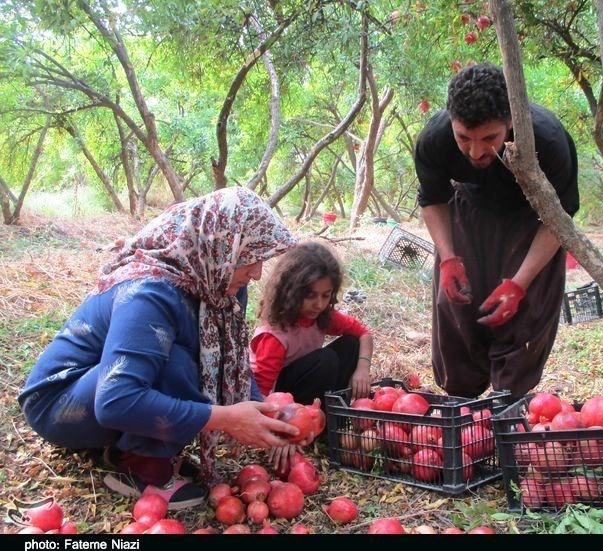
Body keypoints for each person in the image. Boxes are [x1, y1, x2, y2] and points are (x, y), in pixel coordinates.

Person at [17, 187, 301, 510]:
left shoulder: (220, 284)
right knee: (178, 363)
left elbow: (231, 358)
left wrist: (269, 417)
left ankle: (125, 446)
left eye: (260, 257)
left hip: (101, 394)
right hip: (59, 403)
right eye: (247, 256)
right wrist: (226, 418)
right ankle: (141, 468)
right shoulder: (150, 291)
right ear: (218, 246)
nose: (257, 271)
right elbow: (114, 400)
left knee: (191, 360)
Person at [414, 62, 579, 400]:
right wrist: (448, 259)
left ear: (510, 121)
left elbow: (559, 218)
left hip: (533, 219)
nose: (475, 151)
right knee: (457, 303)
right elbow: (432, 199)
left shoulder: (547, 139)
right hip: (467, 212)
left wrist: (520, 282)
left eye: (489, 138)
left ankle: (508, 404)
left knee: (524, 313)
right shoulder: (434, 139)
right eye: (464, 138)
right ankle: (461, 404)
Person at [250, 241, 373, 405]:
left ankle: (333, 412)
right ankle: (313, 420)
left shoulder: (321, 315)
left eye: (325, 295)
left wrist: (363, 368)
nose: (319, 304)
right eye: (310, 296)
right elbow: (261, 393)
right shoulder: (275, 336)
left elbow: (364, 334)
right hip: (278, 397)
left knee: (351, 344)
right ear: (291, 293)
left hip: (306, 381)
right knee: (325, 360)